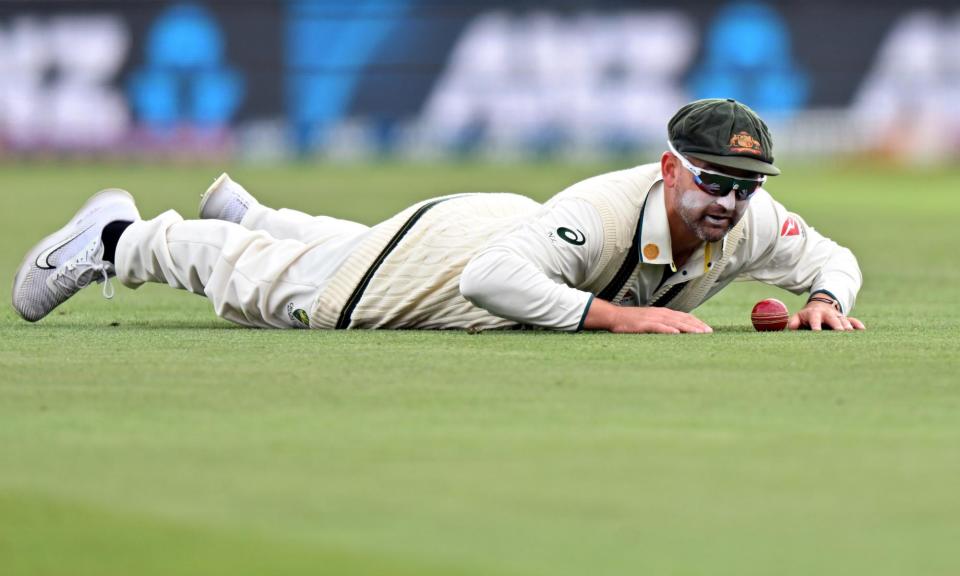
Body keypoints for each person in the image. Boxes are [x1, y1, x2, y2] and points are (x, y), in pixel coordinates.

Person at [12, 99, 865, 333]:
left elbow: (832, 256)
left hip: (505, 222)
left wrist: (825, 298)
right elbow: (490, 280)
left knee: (337, 251)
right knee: (291, 295)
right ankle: (122, 237)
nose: (731, 204)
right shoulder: (607, 209)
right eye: (715, 182)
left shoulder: (747, 217)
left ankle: (260, 213)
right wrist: (619, 319)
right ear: (672, 167)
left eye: (746, 187)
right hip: (469, 253)